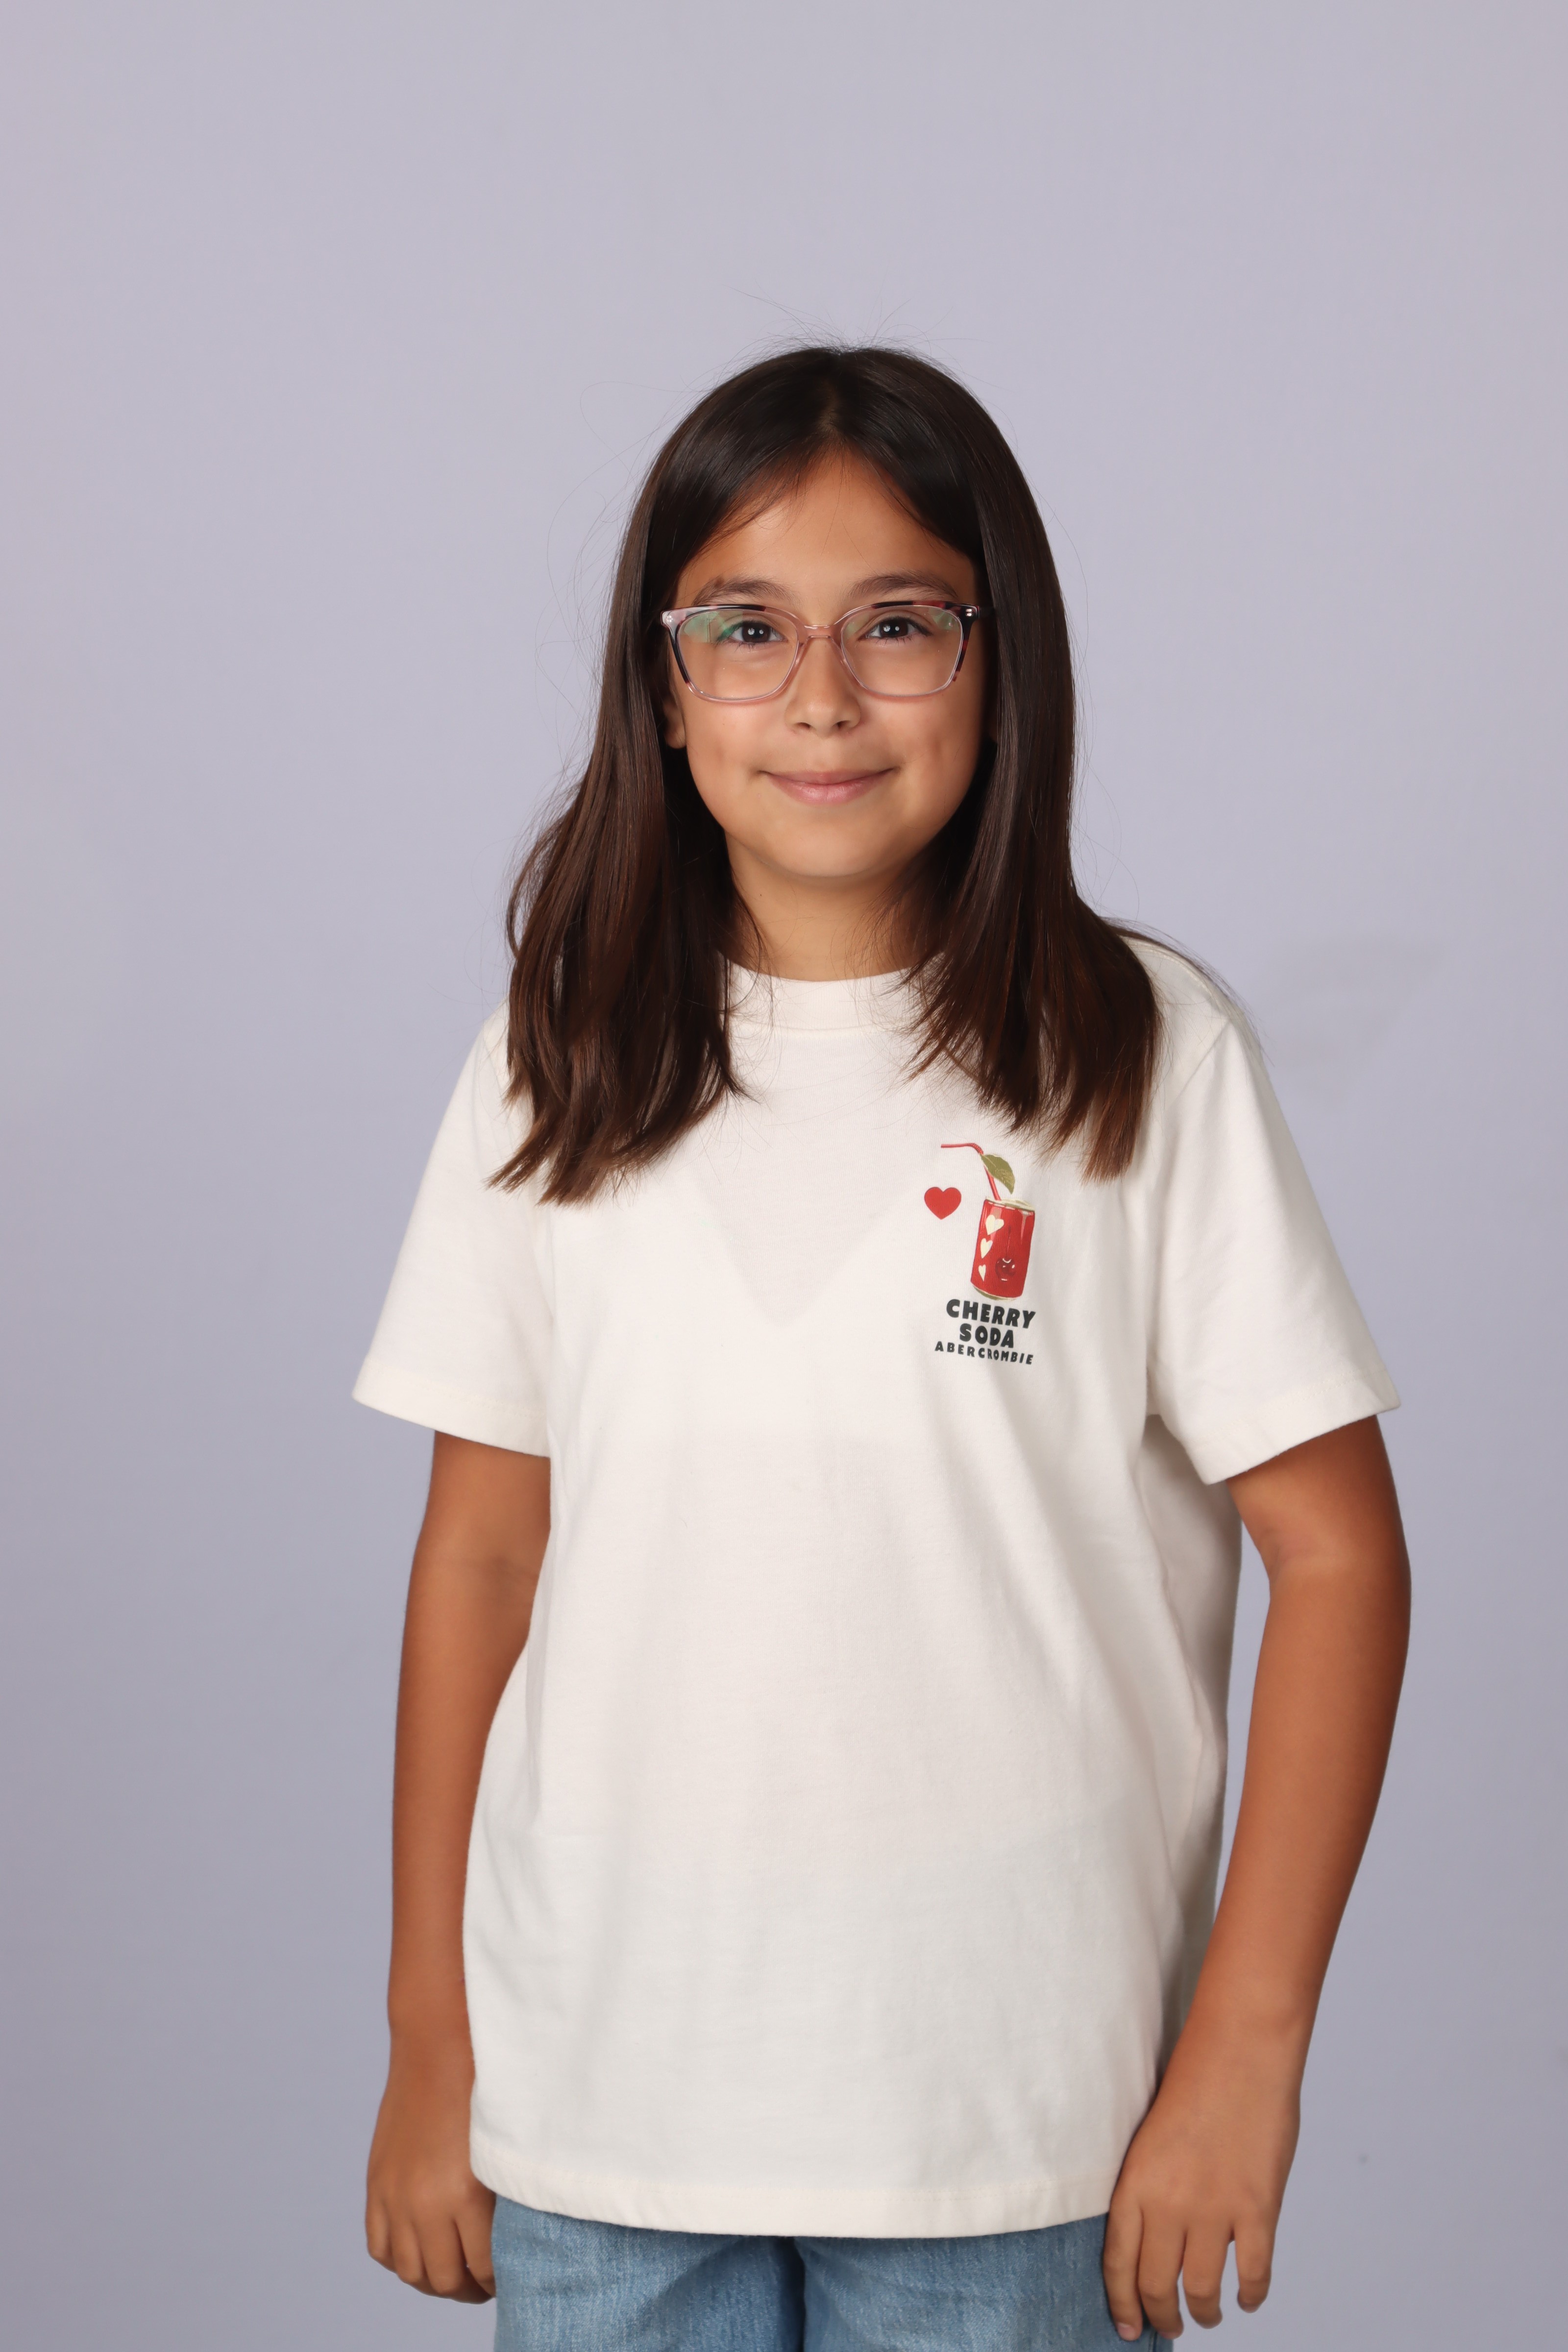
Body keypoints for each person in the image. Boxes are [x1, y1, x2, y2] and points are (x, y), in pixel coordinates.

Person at [355, 346, 1409, 2350]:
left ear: (999, 662)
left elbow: (1341, 1557)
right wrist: (431, 2035)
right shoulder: (555, 1061)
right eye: (745, 629)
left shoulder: (1135, 1059)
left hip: (1012, 2133)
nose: (821, 695)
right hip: (602, 2113)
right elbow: (479, 1558)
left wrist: (1244, 2050)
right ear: (664, 687)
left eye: (898, 624)